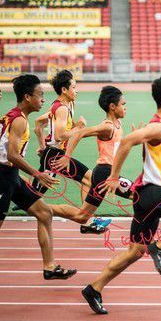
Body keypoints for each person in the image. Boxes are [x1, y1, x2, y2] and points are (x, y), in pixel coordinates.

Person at [81, 76, 161, 314]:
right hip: (156, 194)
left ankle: (94, 288)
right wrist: (113, 176)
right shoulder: (158, 127)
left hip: (145, 198)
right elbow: (126, 143)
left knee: (135, 250)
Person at [0, 74, 77, 280]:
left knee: (44, 213)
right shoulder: (18, 120)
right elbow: (13, 155)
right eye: (40, 95)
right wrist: (37, 174)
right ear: (27, 97)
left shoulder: (9, 116)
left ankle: (50, 267)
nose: (43, 99)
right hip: (5, 178)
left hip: (9, 176)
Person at [49, 86, 133, 233]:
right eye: (123, 104)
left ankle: (42, 208)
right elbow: (78, 134)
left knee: (82, 216)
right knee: (140, 195)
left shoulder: (117, 124)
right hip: (105, 173)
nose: (126, 108)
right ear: (112, 107)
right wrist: (67, 157)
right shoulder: (107, 127)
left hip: (105, 173)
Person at [32, 70, 109, 231]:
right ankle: (87, 220)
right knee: (89, 179)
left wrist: (42, 146)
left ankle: (86, 219)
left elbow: (38, 123)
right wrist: (79, 128)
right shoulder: (62, 108)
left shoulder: (68, 104)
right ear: (64, 90)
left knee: (33, 195)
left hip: (53, 154)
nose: (77, 90)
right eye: (74, 87)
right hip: (55, 156)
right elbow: (60, 135)